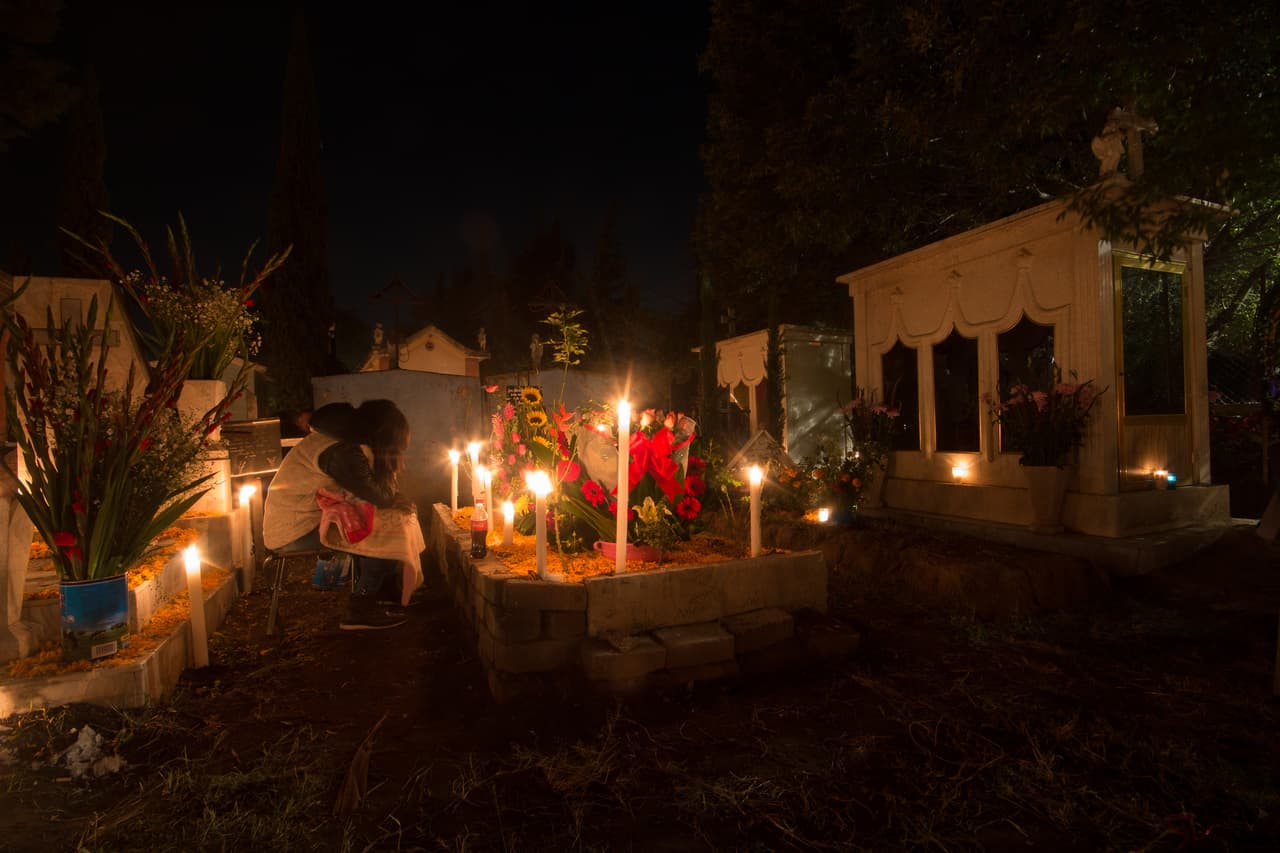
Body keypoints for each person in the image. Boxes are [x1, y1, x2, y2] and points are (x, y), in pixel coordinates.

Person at [263, 400, 417, 630]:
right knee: (386, 531)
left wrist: (393, 493)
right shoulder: (343, 451)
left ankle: (383, 592)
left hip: (305, 521)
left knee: (393, 520)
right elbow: (378, 496)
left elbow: (375, 494)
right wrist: (392, 486)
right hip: (294, 531)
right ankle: (360, 608)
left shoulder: (342, 441)